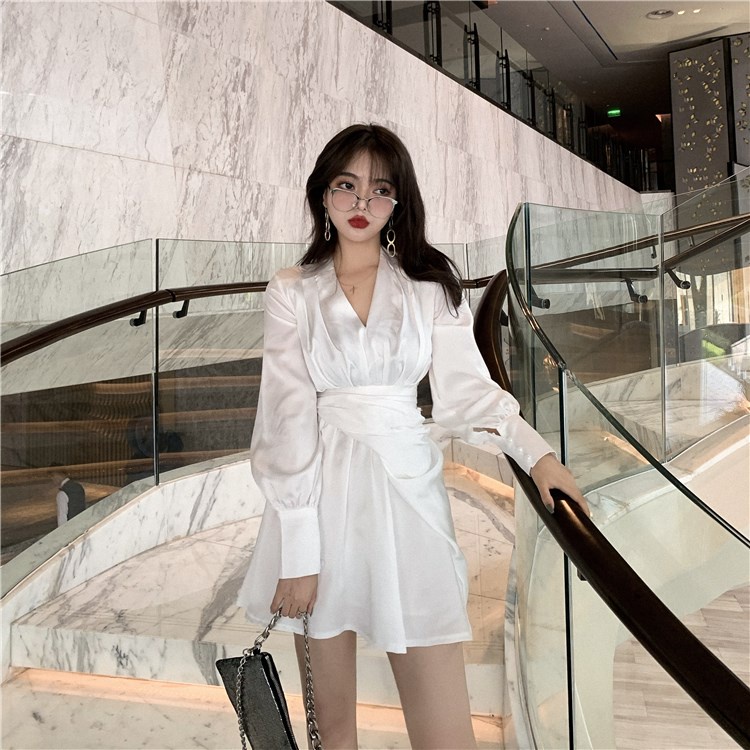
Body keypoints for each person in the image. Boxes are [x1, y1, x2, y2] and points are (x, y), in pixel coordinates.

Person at [236, 124, 588, 749]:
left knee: (445, 732)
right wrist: (299, 554)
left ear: (398, 201)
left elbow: (468, 393)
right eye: (346, 186)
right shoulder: (293, 290)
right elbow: (285, 418)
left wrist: (537, 456)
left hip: (408, 494)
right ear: (323, 194)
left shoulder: (428, 286)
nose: (361, 203)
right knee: (330, 733)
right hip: (321, 501)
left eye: (380, 189)